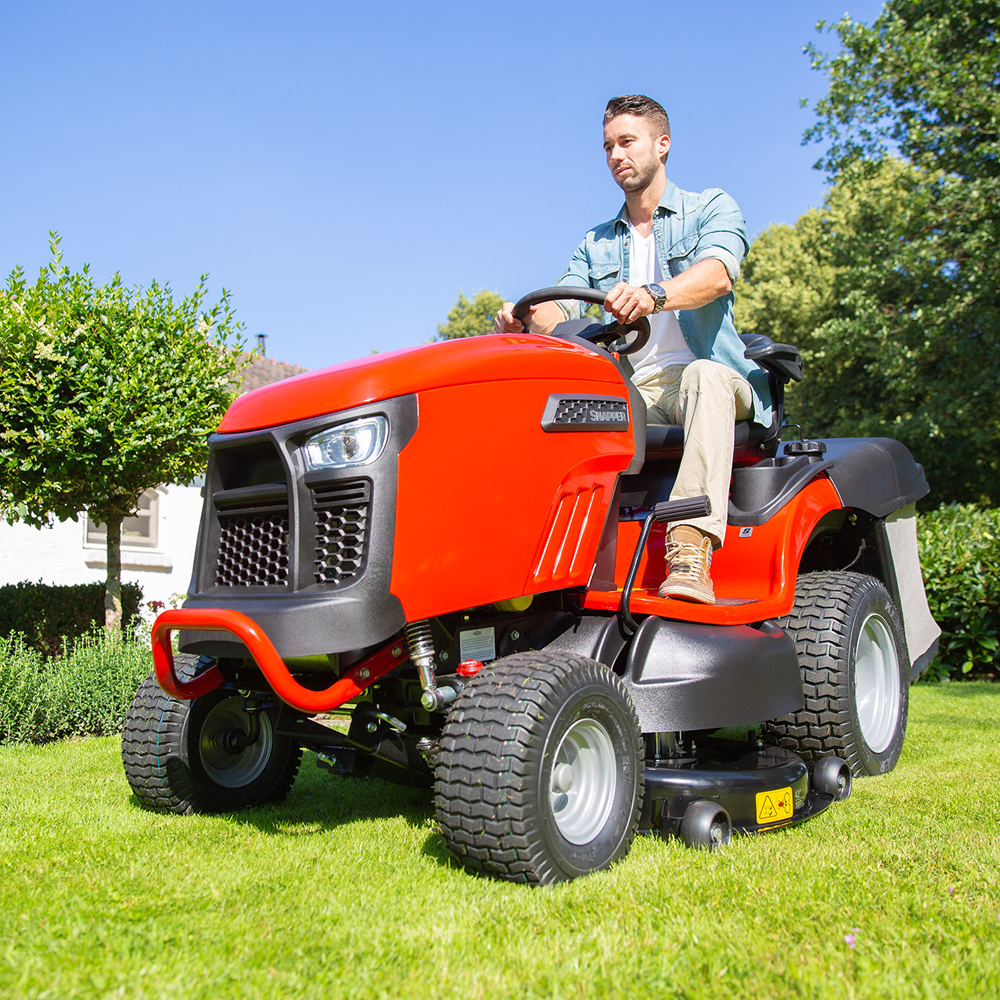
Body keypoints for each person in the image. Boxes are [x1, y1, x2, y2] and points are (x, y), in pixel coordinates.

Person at [495, 94, 771, 605]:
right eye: (607, 147)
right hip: (634, 391)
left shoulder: (710, 207)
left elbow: (717, 274)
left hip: (708, 378)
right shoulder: (596, 241)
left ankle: (690, 550)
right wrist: (526, 316)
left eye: (627, 142)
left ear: (662, 145)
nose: (616, 155)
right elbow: (564, 307)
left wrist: (653, 295)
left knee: (704, 377)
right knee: (560, 408)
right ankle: (536, 560)